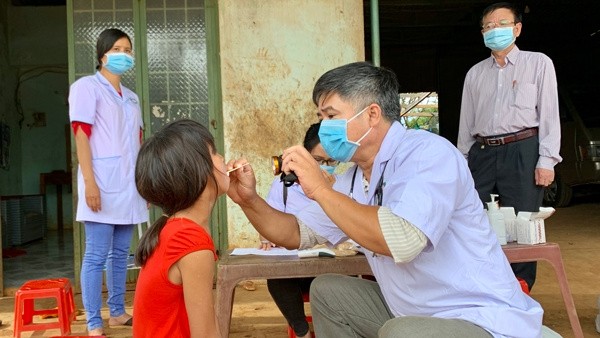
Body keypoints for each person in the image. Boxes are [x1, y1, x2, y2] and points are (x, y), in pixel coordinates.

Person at [227, 61, 543, 337]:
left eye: (332, 115)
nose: (324, 128)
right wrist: (249, 200)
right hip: (410, 312)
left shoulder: (427, 154)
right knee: (328, 292)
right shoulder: (353, 178)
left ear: (373, 114)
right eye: (321, 116)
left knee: (402, 332)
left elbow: (402, 241)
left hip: (476, 318)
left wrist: (320, 190)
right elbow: (294, 233)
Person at [457, 2, 561, 291]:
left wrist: (546, 161)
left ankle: (521, 286)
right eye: (488, 26)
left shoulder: (538, 63)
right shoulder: (475, 74)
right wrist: (462, 162)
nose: (494, 31)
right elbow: (466, 123)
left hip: (523, 149)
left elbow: (549, 115)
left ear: (517, 29)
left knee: (522, 221)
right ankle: (482, 284)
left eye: (501, 24)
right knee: (473, 217)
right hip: (483, 152)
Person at [68, 28, 148, 336]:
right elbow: (81, 136)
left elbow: (138, 143)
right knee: (96, 254)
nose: (124, 55)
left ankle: (116, 311)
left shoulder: (131, 97)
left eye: (128, 50)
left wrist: (144, 184)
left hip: (129, 186)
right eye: (117, 49)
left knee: (121, 253)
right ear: (102, 55)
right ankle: (93, 319)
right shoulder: (86, 88)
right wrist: (89, 183)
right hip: (100, 182)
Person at [132, 119, 227, 338]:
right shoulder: (191, 242)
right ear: (198, 171)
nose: (222, 158)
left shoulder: (175, 230)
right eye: (213, 153)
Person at [260, 122, 338, 338]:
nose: (325, 166)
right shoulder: (283, 186)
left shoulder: (339, 187)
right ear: (305, 157)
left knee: (337, 281)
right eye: (319, 161)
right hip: (294, 266)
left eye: (331, 161)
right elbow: (268, 224)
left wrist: (330, 193)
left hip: (327, 266)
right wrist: (267, 236)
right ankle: (301, 331)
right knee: (276, 278)